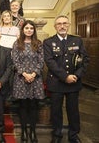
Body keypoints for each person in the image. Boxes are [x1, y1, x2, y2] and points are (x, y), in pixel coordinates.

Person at [43, 15, 89, 143]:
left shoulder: (77, 40)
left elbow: (85, 60)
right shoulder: (48, 42)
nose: (62, 26)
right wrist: (65, 76)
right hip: (56, 82)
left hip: (74, 82)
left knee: (73, 111)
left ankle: (73, 135)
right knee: (56, 111)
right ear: (55, 26)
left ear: (68, 25)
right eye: (59, 24)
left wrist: (76, 75)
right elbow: (50, 61)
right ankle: (57, 135)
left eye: (64, 23)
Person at [11, 20, 45, 143]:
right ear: (23, 30)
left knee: (33, 106)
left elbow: (41, 62)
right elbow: (15, 61)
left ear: (34, 30)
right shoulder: (17, 43)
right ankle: (24, 131)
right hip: (21, 79)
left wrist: (33, 74)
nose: (29, 30)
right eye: (27, 28)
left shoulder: (38, 44)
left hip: (35, 79)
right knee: (23, 106)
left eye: (31, 28)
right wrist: (25, 74)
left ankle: (33, 131)